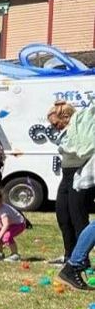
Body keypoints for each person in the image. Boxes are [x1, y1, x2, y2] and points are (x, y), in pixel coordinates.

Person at [51, 101, 93, 264]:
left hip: (79, 174)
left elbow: (81, 150)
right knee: (63, 214)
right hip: (66, 175)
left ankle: (81, 259)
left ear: (66, 117)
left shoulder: (81, 130)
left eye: (55, 123)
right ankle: (69, 254)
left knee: (78, 218)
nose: (54, 127)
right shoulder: (65, 133)